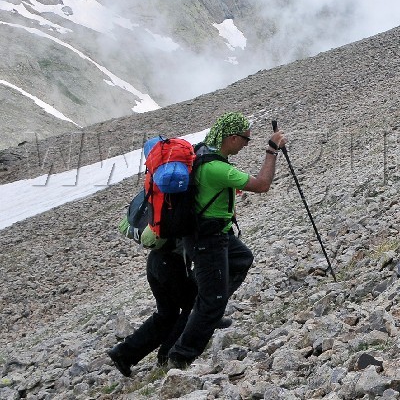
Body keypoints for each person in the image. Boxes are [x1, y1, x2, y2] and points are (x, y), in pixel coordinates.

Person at [166, 112, 287, 369]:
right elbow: (262, 185)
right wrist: (271, 150)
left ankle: (208, 307)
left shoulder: (203, 153)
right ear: (232, 138)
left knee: (241, 258)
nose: (246, 145)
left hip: (210, 234)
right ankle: (180, 356)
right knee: (212, 302)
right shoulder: (216, 168)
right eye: (245, 139)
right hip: (208, 240)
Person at [107, 242, 196, 376]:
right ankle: (169, 353)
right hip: (172, 263)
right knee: (192, 306)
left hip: (156, 261)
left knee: (167, 314)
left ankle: (124, 353)